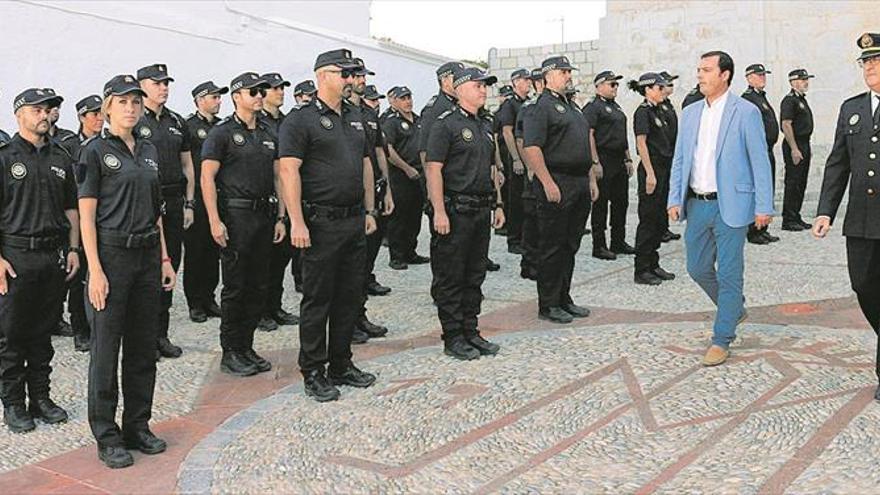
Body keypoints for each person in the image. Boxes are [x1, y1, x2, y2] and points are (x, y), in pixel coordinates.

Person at [79, 75, 177, 468]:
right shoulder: (95, 152)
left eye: (136, 101)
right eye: (122, 102)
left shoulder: (150, 149)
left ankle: (137, 424)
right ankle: (107, 435)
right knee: (106, 350)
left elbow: (156, 213)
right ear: (107, 107)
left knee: (142, 347)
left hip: (147, 256)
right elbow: (86, 216)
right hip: (112, 257)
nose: (131, 108)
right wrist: (96, 271)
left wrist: (165, 259)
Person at [278, 48, 378, 402]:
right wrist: (297, 221)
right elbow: (288, 170)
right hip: (319, 223)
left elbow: (365, 164)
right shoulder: (300, 120)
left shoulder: (355, 116)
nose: (351, 80)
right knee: (318, 300)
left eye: (353, 74)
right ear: (322, 75)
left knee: (349, 296)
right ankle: (314, 370)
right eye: (344, 74)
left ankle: (341, 363)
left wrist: (369, 210)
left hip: (353, 219)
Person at [667, 51, 774, 367]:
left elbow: (760, 160)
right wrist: (674, 198)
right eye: (698, 69)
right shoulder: (690, 112)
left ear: (725, 74)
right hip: (696, 204)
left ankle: (722, 336)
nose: (700, 75)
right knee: (696, 268)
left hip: (733, 204)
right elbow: (680, 159)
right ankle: (734, 309)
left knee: (729, 272)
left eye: (707, 70)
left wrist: (764, 205)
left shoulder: (746, 111)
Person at [0, 88, 80, 433]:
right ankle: (14, 404)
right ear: (19, 114)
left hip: (52, 255)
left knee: (43, 333)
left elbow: (71, 207)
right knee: (11, 335)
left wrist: (74, 249)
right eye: (38, 109)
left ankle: (41, 398)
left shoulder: (60, 157)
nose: (45, 115)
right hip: (15, 256)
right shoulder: (4, 157)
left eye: (49, 110)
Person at [201, 72, 282, 376]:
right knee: (236, 286)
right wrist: (214, 220)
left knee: (258, 284)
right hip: (235, 217)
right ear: (237, 97)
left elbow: (277, 178)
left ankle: (246, 346)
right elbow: (206, 178)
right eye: (252, 92)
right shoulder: (221, 133)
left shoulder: (267, 132)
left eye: (262, 92)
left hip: (264, 215)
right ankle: (230, 351)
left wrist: (282, 217)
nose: (259, 97)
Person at [813, 32, 880, 401]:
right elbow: (837, 163)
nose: (869, 66)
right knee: (863, 285)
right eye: (864, 62)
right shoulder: (851, 108)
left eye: (875, 60)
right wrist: (826, 210)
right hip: (861, 220)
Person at [426, 66, 504, 360]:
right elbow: (433, 169)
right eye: (477, 85)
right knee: (451, 276)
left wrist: (498, 204)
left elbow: (491, 169)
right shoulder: (445, 124)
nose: (483, 90)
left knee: (474, 275)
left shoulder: (485, 124)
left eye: (485, 86)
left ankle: (471, 330)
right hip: (455, 210)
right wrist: (439, 211)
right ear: (459, 89)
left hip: (481, 209)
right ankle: (454, 336)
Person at [522, 55, 598, 324]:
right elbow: (532, 147)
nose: (569, 75)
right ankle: (549, 303)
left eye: (569, 71)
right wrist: (547, 181)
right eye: (563, 71)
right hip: (557, 181)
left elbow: (583, 147)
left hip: (578, 182)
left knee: (570, 244)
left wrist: (590, 179)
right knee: (552, 246)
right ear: (548, 75)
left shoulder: (573, 107)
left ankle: (564, 298)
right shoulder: (540, 107)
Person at [135, 63, 194, 360]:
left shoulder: (176, 121)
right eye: (157, 83)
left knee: (171, 268)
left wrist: (189, 202)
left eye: (166, 82)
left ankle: (161, 334)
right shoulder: (134, 120)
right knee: (148, 270)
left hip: (173, 202)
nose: (164, 87)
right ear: (141, 85)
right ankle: (144, 339)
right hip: (145, 205)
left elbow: (187, 165)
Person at [349, 61, 393, 344]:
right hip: (348, 196)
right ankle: (347, 321)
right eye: (358, 75)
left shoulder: (368, 113)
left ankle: (359, 315)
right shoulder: (340, 113)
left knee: (366, 261)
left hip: (372, 193)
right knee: (350, 266)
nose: (362, 80)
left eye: (364, 75)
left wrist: (387, 189)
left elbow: (379, 153)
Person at [257, 72, 298, 332]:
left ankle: (275, 306)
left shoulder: (288, 122)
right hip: (263, 197)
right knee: (262, 261)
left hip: (285, 196)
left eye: (282, 88)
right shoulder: (257, 122)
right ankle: (260, 311)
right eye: (275, 88)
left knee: (281, 257)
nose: (280, 92)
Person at [184, 81, 227, 323]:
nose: (218, 101)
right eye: (214, 97)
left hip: (219, 194)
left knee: (214, 251)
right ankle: (195, 302)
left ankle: (209, 297)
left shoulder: (222, 127)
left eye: (219, 98)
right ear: (200, 100)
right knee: (196, 251)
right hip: (198, 197)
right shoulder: (189, 127)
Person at [66, 95, 105, 353]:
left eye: (102, 113)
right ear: (82, 117)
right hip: (76, 216)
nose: (100, 118)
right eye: (94, 114)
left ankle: (98, 326)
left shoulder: (106, 145)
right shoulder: (70, 145)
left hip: (100, 216)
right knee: (79, 276)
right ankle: (80, 329)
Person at [629, 73, 676, 285]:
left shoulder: (660, 110)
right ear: (648, 89)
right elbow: (641, 143)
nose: (663, 91)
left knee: (659, 219)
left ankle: (653, 263)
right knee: (648, 219)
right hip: (652, 168)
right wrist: (649, 172)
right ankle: (642, 269)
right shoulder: (643, 112)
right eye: (659, 88)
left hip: (664, 168)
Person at [583, 70, 634, 261]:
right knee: (601, 204)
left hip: (618, 158)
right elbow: (589, 134)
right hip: (603, 158)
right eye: (612, 84)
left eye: (616, 85)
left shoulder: (617, 107)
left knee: (621, 203)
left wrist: (628, 158)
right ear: (599, 86)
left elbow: (622, 135)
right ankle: (599, 245)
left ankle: (618, 241)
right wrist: (594, 161)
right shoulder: (593, 107)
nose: (615, 88)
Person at [382, 86, 426, 270]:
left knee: (415, 215)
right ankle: (397, 256)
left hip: (418, 174)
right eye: (403, 98)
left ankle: (410, 252)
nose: (407, 101)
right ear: (395, 101)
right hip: (400, 174)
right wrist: (406, 168)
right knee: (399, 217)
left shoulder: (418, 120)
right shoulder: (392, 122)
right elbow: (388, 150)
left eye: (409, 97)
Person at [741, 64, 781, 245]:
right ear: (749, 78)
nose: (763, 77)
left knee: (766, 188)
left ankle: (762, 228)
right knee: (757, 190)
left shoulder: (760, 97)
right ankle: (754, 231)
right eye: (758, 75)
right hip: (756, 153)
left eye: (764, 75)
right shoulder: (748, 99)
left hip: (767, 150)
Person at [361, 84, 394, 297]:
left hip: (376, 186)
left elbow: (380, 151)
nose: (376, 103)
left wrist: (387, 187)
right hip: (354, 189)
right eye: (372, 99)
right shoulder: (350, 114)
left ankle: (367, 277)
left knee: (374, 237)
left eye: (377, 99)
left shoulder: (372, 118)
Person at [514, 68, 545, 280]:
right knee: (532, 219)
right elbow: (520, 139)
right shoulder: (529, 107)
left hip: (550, 172)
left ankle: (541, 261)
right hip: (534, 173)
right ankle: (529, 264)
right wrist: (530, 167)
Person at [497, 68, 530, 255]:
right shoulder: (510, 104)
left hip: (529, 155)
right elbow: (507, 132)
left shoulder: (528, 103)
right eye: (524, 80)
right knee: (516, 199)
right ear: (515, 82)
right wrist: (516, 158)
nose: (528, 83)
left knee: (527, 199)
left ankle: (525, 237)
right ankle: (514, 239)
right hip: (516, 156)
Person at [289, 79, 318, 294]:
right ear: (297, 97)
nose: (310, 98)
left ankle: (304, 278)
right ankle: (299, 277)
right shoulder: (295, 120)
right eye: (306, 95)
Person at [780, 68, 816, 231]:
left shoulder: (801, 99)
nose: (806, 82)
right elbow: (786, 124)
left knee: (801, 181)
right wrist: (794, 149)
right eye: (802, 80)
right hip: (794, 143)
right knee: (793, 181)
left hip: (804, 143)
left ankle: (795, 215)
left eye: (806, 79)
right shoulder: (789, 100)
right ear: (793, 82)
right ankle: (788, 219)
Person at [658, 71, 682, 244]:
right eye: (668, 83)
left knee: (666, 193)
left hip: (669, 154)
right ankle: (660, 229)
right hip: (661, 155)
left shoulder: (668, 104)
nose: (671, 86)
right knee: (659, 196)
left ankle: (664, 228)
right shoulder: (658, 106)